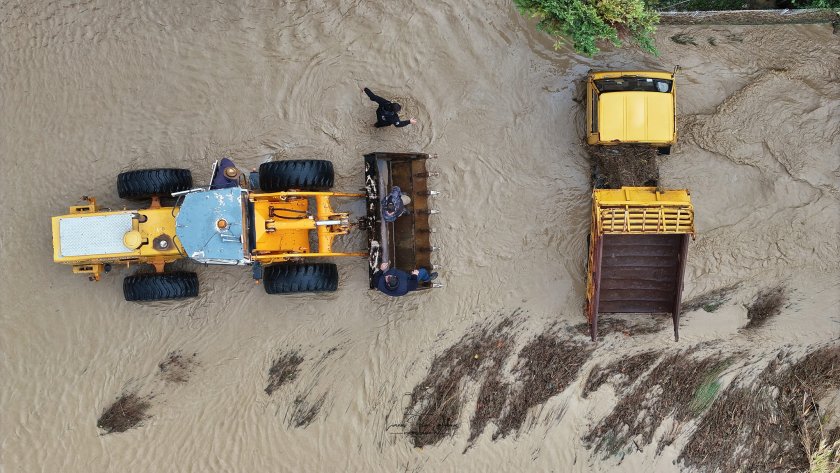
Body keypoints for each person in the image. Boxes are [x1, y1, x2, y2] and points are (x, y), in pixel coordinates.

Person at [372, 262, 436, 297]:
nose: (387, 275)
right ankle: (427, 279)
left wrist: (381, 269)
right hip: (406, 280)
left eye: (390, 276)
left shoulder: (377, 282)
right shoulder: (406, 286)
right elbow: (414, 285)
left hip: (398, 285)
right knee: (423, 271)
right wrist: (414, 275)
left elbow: (375, 277)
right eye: (388, 277)